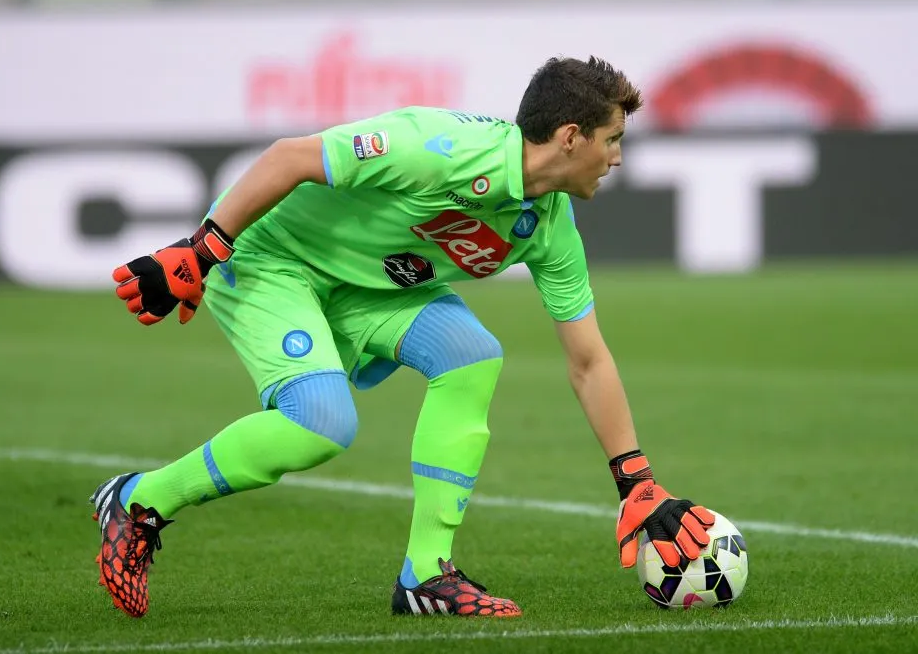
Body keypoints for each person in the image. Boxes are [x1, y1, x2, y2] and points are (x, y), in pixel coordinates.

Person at [90, 56, 716, 619]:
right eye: (612, 140)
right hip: (271, 260)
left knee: (472, 356)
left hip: (371, 288)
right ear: (570, 137)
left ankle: (425, 577)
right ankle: (140, 500)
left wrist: (635, 480)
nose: (617, 158)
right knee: (322, 425)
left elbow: (589, 360)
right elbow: (289, 157)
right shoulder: (437, 146)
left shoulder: (550, 225)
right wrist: (203, 248)